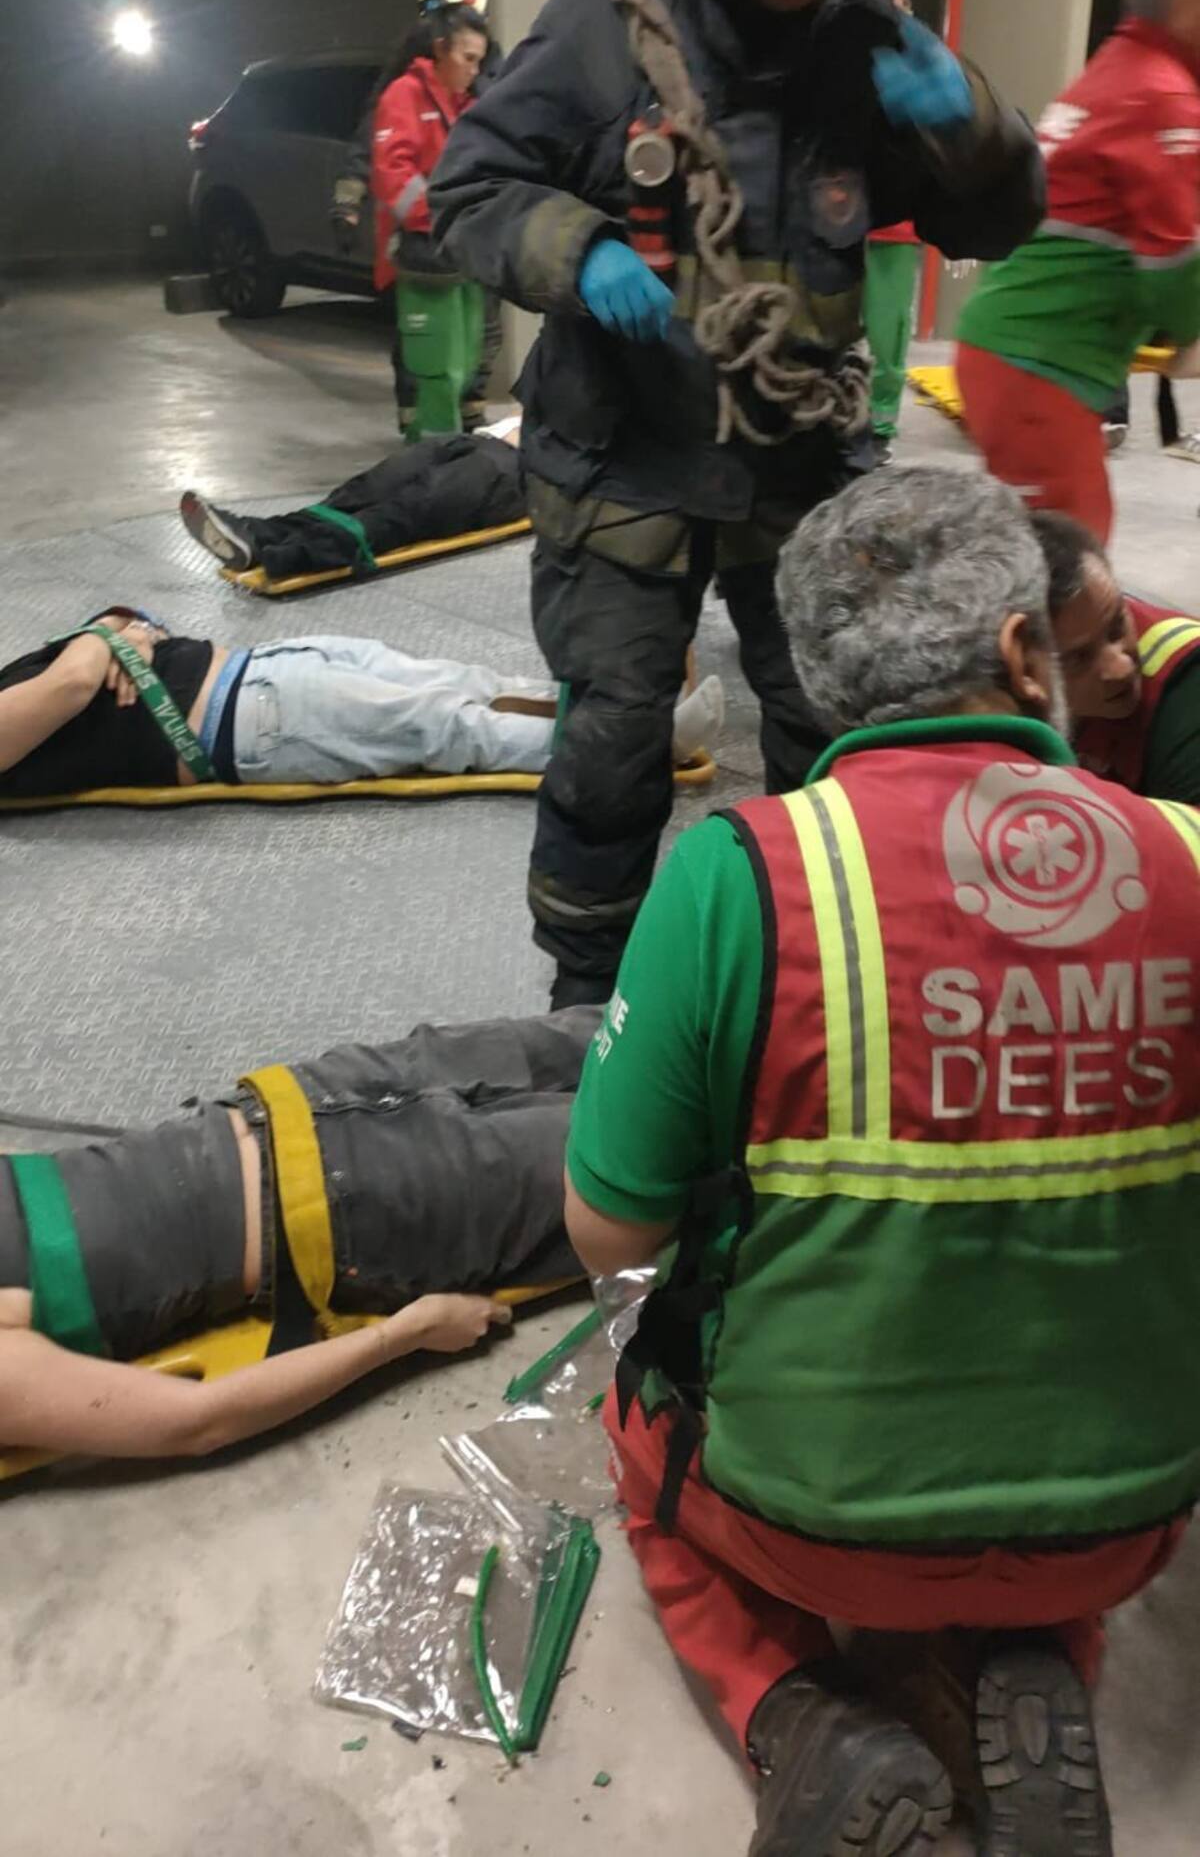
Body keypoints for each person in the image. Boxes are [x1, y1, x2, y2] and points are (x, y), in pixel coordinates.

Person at [563, 466, 1200, 1857]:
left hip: (812, 1520)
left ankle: (799, 1715)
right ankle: (1038, 1656)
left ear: (824, 682)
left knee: (637, 1435)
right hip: (1132, 1511)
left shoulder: (737, 872)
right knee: (1065, 1469)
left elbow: (609, 1234)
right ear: (1028, 653)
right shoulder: (1191, 857)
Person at [429, 0, 1044, 1009]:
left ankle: (811, 972)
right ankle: (589, 1000)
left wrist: (972, 134)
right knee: (615, 737)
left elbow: (988, 225)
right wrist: (577, 246)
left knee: (835, 718)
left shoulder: (862, 42)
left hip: (796, 454)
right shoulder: (606, 25)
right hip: (629, 457)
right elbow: (468, 187)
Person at [0, 1009, 595, 1461]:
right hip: (357, 1203)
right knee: (636, 1146)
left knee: (623, 1023)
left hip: (300, 1095)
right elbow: (197, 1421)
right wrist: (404, 1336)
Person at [956, 0, 1200, 541]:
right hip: (1038, 366)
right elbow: (1177, 261)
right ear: (1188, 3)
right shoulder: (1161, 96)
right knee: (1069, 567)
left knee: (1046, 552)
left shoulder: (1119, 70)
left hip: (1019, 357)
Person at [0, 611, 724, 798]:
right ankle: (641, 741)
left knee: (457, 681)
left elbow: (106, 640)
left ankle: (623, 708)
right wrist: (101, 644)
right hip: (246, 722)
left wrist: (117, 636)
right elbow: (70, 684)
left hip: (257, 670)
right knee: (446, 725)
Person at [331, 0, 504, 436]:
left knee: (475, 344)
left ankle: (465, 431)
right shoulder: (404, 91)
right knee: (424, 352)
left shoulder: (481, 85)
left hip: (466, 247)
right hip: (419, 248)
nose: (471, 64)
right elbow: (378, 154)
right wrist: (347, 205)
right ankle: (425, 439)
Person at [179, 425, 523, 582]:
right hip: (482, 437)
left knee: (417, 504)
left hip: (525, 469)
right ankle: (258, 534)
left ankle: (298, 554)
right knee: (372, 486)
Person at [373, 4, 492, 441]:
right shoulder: (404, 96)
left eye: (479, 60)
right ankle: (432, 462)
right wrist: (446, 216)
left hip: (460, 257)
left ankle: (445, 460)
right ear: (440, 49)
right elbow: (394, 174)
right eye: (468, 58)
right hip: (425, 257)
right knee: (436, 372)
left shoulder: (466, 105)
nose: (474, 70)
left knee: (462, 367)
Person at [1031, 506, 1200, 803]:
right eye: (1078, 658)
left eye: (1117, 626)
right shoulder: (982, 684)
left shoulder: (1188, 687)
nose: (1121, 667)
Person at [862, 0, 923, 454]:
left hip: (894, 233)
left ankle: (881, 428)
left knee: (887, 340)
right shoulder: (844, 69)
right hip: (840, 227)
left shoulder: (924, 77)